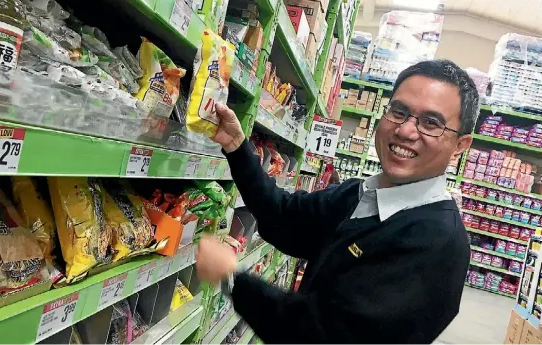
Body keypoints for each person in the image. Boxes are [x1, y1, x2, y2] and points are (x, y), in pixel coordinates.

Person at [195, 59, 479, 343]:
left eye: (431, 123)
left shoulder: (439, 243)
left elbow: (327, 335)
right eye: (399, 111)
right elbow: (284, 216)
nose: (405, 131)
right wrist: (236, 145)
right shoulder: (360, 194)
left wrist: (233, 279)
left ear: (459, 146)